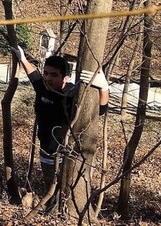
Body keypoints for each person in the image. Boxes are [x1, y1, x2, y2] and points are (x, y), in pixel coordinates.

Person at [11, 47, 109, 194]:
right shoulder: (43, 88)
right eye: (46, 73)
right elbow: (34, 76)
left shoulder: (71, 95)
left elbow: (99, 111)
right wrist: (23, 59)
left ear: (66, 78)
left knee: (66, 194)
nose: (48, 78)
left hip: (67, 156)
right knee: (50, 191)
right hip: (46, 153)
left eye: (54, 75)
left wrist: (104, 88)